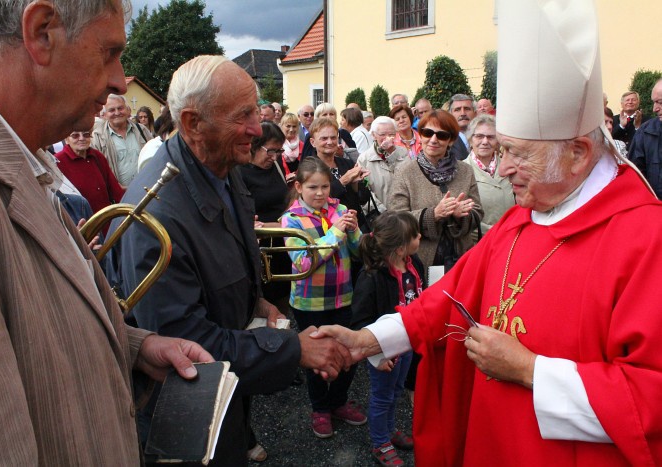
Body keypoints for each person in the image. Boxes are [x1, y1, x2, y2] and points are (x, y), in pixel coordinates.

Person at [314, 1, 662, 465]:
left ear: (578, 153)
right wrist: (369, 340)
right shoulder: (524, 218)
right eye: (502, 151)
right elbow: (448, 298)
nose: (503, 169)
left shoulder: (645, 239)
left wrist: (531, 370)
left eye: (519, 154)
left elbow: (650, 399)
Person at [0, 0, 216, 464]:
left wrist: (134, 347)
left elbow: (31, 340)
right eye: (109, 52)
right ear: (42, 33)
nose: (121, 79)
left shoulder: (20, 160)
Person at [106, 55, 353, 466]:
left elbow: (232, 253)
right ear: (192, 123)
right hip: (187, 418)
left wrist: (256, 300)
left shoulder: (220, 166)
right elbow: (181, 345)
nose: (258, 129)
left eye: (256, 111)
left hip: (228, 394)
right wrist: (291, 349)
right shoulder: (155, 215)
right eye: (243, 117)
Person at [280, 157, 366, 439]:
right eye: (313, 187)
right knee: (317, 360)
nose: (320, 194)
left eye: (325, 187)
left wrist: (354, 232)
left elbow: (357, 253)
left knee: (348, 355)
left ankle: (338, 402)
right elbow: (303, 263)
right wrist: (337, 231)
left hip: (343, 297)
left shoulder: (339, 208)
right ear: (299, 186)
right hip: (309, 303)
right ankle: (320, 408)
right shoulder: (291, 219)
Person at [351, 211, 423, 466]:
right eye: (415, 235)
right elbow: (361, 323)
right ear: (401, 246)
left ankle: (390, 431)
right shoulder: (371, 277)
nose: (420, 237)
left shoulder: (414, 264)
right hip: (383, 353)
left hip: (405, 347)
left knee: (396, 391)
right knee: (382, 396)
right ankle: (380, 442)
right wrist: (377, 357)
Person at [388, 109, 482, 283]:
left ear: (451, 140)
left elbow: (477, 211)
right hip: (421, 258)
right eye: (427, 133)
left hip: (460, 257)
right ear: (420, 135)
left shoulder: (465, 170)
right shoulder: (405, 171)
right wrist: (433, 214)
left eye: (441, 135)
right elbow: (395, 217)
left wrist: (462, 214)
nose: (433, 140)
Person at [238, 122, 291, 311]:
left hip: (282, 243)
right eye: (270, 151)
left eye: (279, 151)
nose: (275, 157)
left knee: (283, 297)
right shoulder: (239, 172)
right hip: (261, 247)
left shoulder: (275, 166)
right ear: (254, 144)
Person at [54, 130, 125, 231]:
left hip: (108, 223)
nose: (82, 138)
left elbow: (115, 190)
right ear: (66, 139)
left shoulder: (97, 156)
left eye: (86, 135)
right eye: (75, 136)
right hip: (84, 227)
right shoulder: (57, 161)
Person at [309, 117, 371, 231]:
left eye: (333, 138)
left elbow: (364, 199)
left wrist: (356, 185)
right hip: (327, 229)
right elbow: (316, 199)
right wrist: (343, 181)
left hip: (355, 227)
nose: (330, 142)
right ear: (313, 142)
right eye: (324, 138)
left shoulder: (347, 163)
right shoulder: (309, 167)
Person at [465, 114, 514, 236]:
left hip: (509, 237)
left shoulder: (509, 167)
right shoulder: (462, 170)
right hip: (478, 242)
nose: (485, 142)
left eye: (491, 137)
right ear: (470, 140)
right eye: (479, 136)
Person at [92, 94, 152, 186]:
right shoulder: (97, 137)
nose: (117, 113)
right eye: (111, 110)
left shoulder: (142, 130)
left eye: (120, 108)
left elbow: (155, 156)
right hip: (119, 195)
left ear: (128, 110)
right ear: (104, 114)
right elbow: (96, 170)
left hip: (146, 189)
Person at [357, 116, 408, 211]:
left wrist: (392, 153)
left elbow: (407, 178)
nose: (387, 138)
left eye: (391, 134)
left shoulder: (403, 153)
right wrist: (383, 211)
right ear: (373, 135)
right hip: (380, 216)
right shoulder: (364, 159)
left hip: (404, 213)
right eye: (382, 134)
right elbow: (365, 192)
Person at [628, 79, 662, 197]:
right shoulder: (645, 132)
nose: (655, 109)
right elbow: (634, 176)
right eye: (654, 102)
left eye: (660, 102)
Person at [138, 104, 175, 172]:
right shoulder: (153, 151)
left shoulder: (155, 129)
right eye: (140, 117)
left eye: (145, 117)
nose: (143, 119)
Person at [447, 94, 476, 160]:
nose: (463, 113)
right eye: (457, 109)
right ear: (450, 114)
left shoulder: (486, 137)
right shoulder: (445, 140)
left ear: (475, 113)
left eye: (467, 109)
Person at [279, 112, 303, 182]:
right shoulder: (277, 145)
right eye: (288, 126)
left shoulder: (302, 145)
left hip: (299, 181)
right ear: (281, 126)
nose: (291, 129)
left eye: (294, 126)